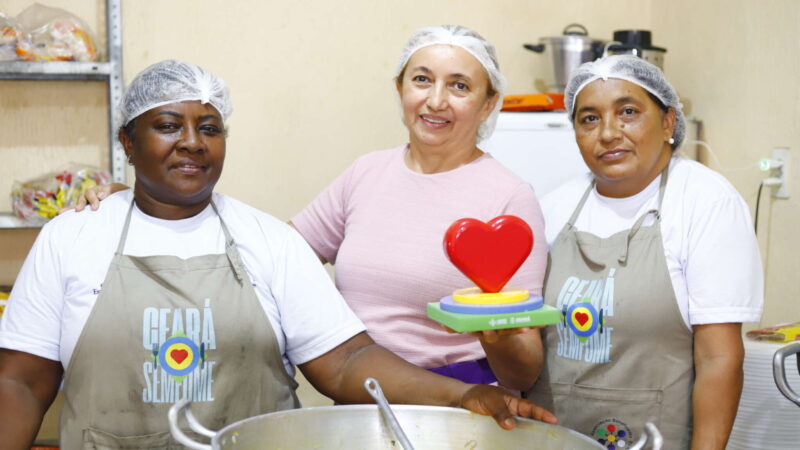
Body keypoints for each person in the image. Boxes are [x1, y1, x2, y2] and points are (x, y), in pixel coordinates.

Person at [0, 60, 557, 449]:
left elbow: (346, 363)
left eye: (210, 128)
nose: (192, 141)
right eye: (168, 125)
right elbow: (22, 383)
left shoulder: (267, 239)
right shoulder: (72, 238)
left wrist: (463, 395)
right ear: (127, 141)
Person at [75, 26, 549, 391]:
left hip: (466, 400)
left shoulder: (508, 198)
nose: (436, 100)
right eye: (422, 80)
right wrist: (141, 202)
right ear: (401, 88)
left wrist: (497, 336)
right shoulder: (366, 174)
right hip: (368, 394)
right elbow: (271, 253)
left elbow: (526, 366)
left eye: (460, 86)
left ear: (488, 105)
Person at [525, 55, 763, 449]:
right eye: (589, 119)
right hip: (553, 437)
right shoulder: (552, 208)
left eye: (628, 112)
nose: (608, 133)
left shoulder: (705, 202)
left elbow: (718, 360)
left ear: (668, 121)